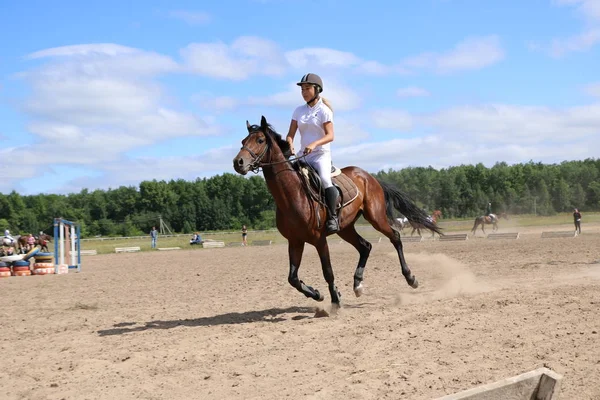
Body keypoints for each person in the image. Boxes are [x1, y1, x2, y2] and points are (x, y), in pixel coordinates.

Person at [286, 73, 339, 234]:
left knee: (324, 180)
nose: (304, 92)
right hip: (303, 155)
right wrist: (290, 144)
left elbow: (330, 135)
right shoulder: (298, 111)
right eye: (302, 89)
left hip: (320, 155)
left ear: (317, 90)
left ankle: (333, 217)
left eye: (307, 88)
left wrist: (314, 143)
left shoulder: (324, 110)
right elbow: (290, 134)